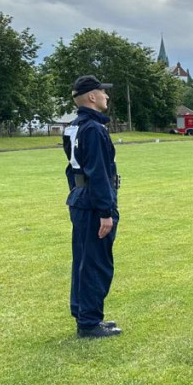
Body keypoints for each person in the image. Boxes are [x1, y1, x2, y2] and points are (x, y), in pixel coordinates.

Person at [63, 75, 122, 339]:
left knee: (83, 260)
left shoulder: (74, 126)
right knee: (97, 262)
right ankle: (89, 321)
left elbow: (72, 169)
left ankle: (85, 313)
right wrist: (105, 212)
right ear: (91, 97)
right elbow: (98, 173)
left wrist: (77, 194)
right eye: (102, 92)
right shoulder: (95, 129)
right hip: (93, 203)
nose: (106, 96)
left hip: (80, 199)